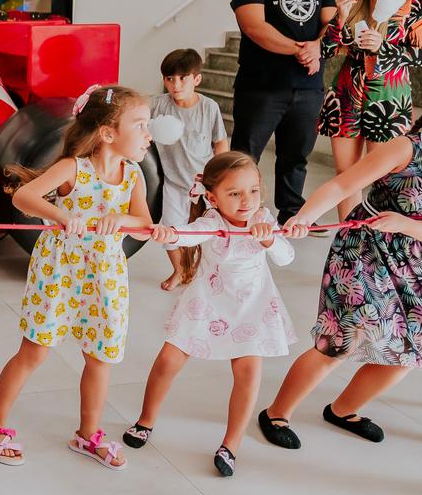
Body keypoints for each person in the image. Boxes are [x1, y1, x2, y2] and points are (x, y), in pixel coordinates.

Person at [259, 86, 422, 450]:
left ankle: (342, 409)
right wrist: (304, 217)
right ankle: (276, 412)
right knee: (342, 339)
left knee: (413, 350)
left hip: (421, 261)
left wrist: (406, 224)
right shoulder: (406, 148)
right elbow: (342, 185)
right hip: (365, 249)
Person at [0, 85, 157, 471]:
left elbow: (144, 224)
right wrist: (61, 216)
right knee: (35, 351)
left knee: (100, 354)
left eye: (149, 126)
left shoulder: (133, 175)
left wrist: (123, 219)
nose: (149, 134)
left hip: (106, 274)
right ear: (108, 133)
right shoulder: (73, 168)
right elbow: (23, 197)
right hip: (59, 270)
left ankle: (88, 433)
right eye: (140, 125)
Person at [123, 152, 296, 476]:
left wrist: (270, 238)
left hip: (251, 308)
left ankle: (231, 445)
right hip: (206, 303)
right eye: (235, 193)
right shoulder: (212, 222)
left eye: (253, 190)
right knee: (167, 362)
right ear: (212, 197)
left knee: (248, 375)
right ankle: (146, 420)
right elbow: (189, 233)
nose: (247, 200)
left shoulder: (263, 219)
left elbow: (286, 257)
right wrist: (169, 234)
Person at [317, 0, 422, 221]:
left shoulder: (414, 0)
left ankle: (377, 245)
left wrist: (385, 47)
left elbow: (420, 55)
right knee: (346, 173)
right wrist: (340, 17)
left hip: (388, 95)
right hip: (346, 90)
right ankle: (348, 237)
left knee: (384, 175)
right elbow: (327, 50)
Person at [230, 0, 337, 224]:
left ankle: (292, 213)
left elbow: (332, 25)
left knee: (296, 157)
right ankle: (233, 216)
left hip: (308, 87)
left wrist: (318, 46)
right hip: (261, 86)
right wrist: (304, 49)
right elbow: (255, 28)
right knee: (244, 156)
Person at [150, 48, 228, 290]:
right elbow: (133, 110)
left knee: (208, 230)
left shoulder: (209, 107)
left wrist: (219, 178)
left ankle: (208, 271)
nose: (176, 85)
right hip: (173, 182)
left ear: (197, 79)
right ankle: (180, 271)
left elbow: (220, 142)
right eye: (169, 78)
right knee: (170, 231)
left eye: (183, 78)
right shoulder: (157, 105)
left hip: (204, 184)